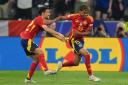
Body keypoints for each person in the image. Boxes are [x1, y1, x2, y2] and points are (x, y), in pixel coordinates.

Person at [20, 6, 66, 83]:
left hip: (25, 40)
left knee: (36, 59)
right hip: (26, 40)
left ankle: (28, 79)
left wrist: (60, 38)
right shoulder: (39, 18)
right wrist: (58, 33)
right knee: (40, 52)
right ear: (43, 13)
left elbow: (48, 31)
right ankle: (46, 70)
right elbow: (47, 29)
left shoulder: (40, 21)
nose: (49, 13)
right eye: (47, 12)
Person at [56, 5, 101, 81]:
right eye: (84, 12)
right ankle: (91, 76)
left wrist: (79, 33)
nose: (86, 14)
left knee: (76, 63)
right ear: (80, 12)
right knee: (87, 54)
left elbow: (90, 32)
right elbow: (61, 17)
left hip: (80, 40)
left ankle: (61, 65)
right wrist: (53, 21)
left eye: (87, 13)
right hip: (73, 39)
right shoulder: (74, 16)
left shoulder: (90, 19)